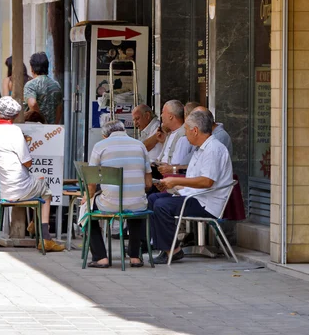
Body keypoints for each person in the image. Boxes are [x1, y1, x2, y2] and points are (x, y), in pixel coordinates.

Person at [0, 96, 64, 252]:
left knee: (38, 183)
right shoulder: (16, 132)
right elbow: (27, 162)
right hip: (19, 189)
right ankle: (45, 236)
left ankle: (35, 225)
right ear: (15, 116)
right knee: (45, 190)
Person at [149, 109, 233, 265]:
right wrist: (172, 186)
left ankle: (173, 250)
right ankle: (164, 247)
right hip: (195, 196)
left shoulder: (213, 149)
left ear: (195, 130)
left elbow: (206, 182)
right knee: (154, 199)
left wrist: (175, 182)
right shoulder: (201, 148)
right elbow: (195, 179)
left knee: (162, 205)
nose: (185, 134)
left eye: (186, 130)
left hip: (206, 203)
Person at [83, 119, 152, 268]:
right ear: (124, 131)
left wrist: (87, 198)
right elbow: (148, 184)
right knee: (136, 205)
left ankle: (100, 257)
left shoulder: (100, 146)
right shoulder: (140, 145)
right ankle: (135, 257)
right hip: (138, 203)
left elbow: (92, 182)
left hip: (110, 204)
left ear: (105, 135)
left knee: (86, 210)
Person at [154, 100, 194, 177]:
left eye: (163, 112)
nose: (161, 116)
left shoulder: (183, 136)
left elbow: (176, 163)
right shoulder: (170, 133)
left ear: (171, 116)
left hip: (172, 178)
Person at [24, 52, 62, 124]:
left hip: (34, 128)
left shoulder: (31, 85)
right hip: (51, 130)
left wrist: (42, 121)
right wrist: (54, 125)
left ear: (32, 68)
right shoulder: (56, 85)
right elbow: (59, 108)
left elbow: (32, 104)